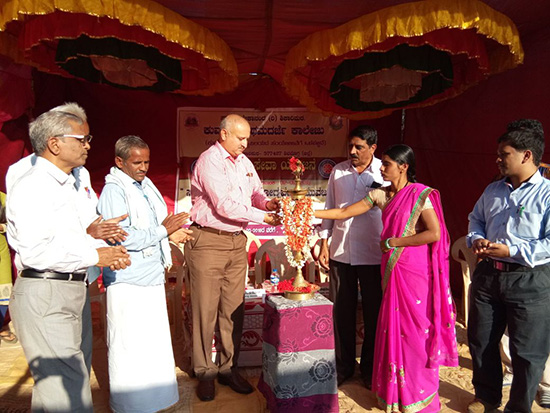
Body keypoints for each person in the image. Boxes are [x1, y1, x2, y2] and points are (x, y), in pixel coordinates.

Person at [6, 103, 131, 412]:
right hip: (47, 290)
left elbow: (73, 234)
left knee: (58, 391)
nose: (88, 145)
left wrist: (100, 240)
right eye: (82, 139)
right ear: (54, 143)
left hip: (69, 287)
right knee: (68, 393)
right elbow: (36, 251)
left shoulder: (69, 182)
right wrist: (95, 254)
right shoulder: (33, 185)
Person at [315, 144, 458, 411]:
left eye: (387, 164)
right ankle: (396, 392)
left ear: (403, 167)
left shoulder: (420, 195)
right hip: (392, 270)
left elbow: (434, 233)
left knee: (415, 332)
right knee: (394, 328)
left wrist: (395, 242)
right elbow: (344, 212)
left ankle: (418, 392)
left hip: (415, 273)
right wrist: (306, 212)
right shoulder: (381, 195)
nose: (381, 168)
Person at [185, 114, 280, 402]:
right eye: (241, 138)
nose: (245, 143)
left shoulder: (245, 162)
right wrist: (264, 217)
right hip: (208, 241)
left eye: (248, 138)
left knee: (233, 310)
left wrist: (268, 203)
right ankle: (205, 372)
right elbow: (224, 206)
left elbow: (256, 194)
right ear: (224, 134)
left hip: (237, 242)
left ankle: (228, 368)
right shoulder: (209, 161)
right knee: (205, 310)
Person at [97, 135, 192, 413]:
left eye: (147, 162)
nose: (143, 168)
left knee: (152, 344)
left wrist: (169, 233)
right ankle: (130, 405)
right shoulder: (114, 190)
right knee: (129, 347)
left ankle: (156, 401)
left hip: (151, 275)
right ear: (119, 161)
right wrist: (164, 230)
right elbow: (121, 237)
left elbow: (153, 226)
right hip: (128, 279)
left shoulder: (145, 185)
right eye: (137, 162)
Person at [467, 120, 550, 413]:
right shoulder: (493, 190)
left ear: (527, 155)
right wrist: (477, 238)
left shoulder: (547, 194)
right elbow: (476, 219)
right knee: (481, 340)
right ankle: (487, 397)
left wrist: (512, 250)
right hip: (488, 275)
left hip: (529, 280)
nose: (498, 160)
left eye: (504, 154)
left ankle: (518, 407)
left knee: (527, 352)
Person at [317, 125, 386, 388]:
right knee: (341, 312)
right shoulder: (338, 171)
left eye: (359, 147)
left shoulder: (384, 171)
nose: (353, 151)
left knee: (373, 313)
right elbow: (330, 207)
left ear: (373, 147)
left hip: (373, 253)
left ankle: (370, 369)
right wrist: (324, 242)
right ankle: (343, 367)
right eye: (351, 146)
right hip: (341, 252)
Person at [0, 191, 17, 344]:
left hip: (1, 253)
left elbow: (16, 220)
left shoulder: (2, 197)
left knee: (3, 294)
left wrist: (3, 227)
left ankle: (2, 325)